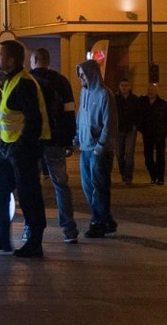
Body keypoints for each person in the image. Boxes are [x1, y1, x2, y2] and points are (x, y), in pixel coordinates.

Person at [0, 40, 49, 259]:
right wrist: (6, 144)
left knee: (29, 197)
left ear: (11, 60)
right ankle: (2, 236)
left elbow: (33, 121)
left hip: (24, 150)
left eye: (0, 56)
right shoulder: (10, 81)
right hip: (10, 149)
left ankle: (35, 243)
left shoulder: (24, 83)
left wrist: (18, 147)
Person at [29, 47, 79, 244]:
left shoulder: (28, 80)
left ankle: (31, 228)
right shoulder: (62, 82)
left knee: (32, 186)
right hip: (57, 140)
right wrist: (69, 140)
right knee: (61, 185)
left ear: (34, 59)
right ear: (48, 61)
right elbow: (69, 112)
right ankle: (69, 229)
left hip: (33, 141)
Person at [75, 59, 118, 238]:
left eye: (83, 74)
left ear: (91, 73)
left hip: (98, 150)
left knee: (99, 186)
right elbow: (80, 116)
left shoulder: (104, 94)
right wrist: (77, 136)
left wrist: (100, 146)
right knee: (87, 186)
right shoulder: (83, 93)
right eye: (79, 75)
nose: (81, 78)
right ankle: (105, 219)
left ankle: (98, 223)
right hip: (85, 147)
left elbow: (109, 122)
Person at [114, 78, 143, 184]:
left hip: (131, 130)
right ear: (119, 86)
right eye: (122, 85)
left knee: (129, 153)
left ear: (129, 86)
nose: (124, 87)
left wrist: (136, 125)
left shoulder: (134, 99)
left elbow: (139, 113)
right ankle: (123, 173)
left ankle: (128, 176)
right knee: (119, 154)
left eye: (126, 85)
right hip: (118, 130)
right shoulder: (115, 99)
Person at [141, 84, 167, 185]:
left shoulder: (163, 104)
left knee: (160, 156)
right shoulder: (143, 102)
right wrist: (140, 127)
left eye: (152, 90)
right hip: (147, 133)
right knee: (148, 156)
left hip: (160, 133)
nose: (150, 92)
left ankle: (160, 178)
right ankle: (153, 176)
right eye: (149, 90)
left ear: (156, 91)